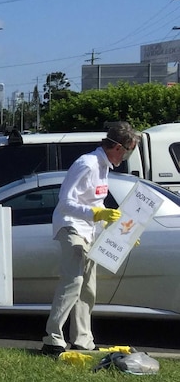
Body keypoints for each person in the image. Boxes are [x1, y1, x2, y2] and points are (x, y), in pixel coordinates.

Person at [41, 122, 138, 357]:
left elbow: (96, 203)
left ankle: (83, 340)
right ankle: (52, 339)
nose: (126, 156)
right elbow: (65, 202)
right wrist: (95, 214)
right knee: (72, 282)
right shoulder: (87, 164)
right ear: (116, 146)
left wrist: (122, 232)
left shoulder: (105, 167)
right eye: (127, 150)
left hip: (89, 231)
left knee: (88, 288)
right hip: (70, 226)